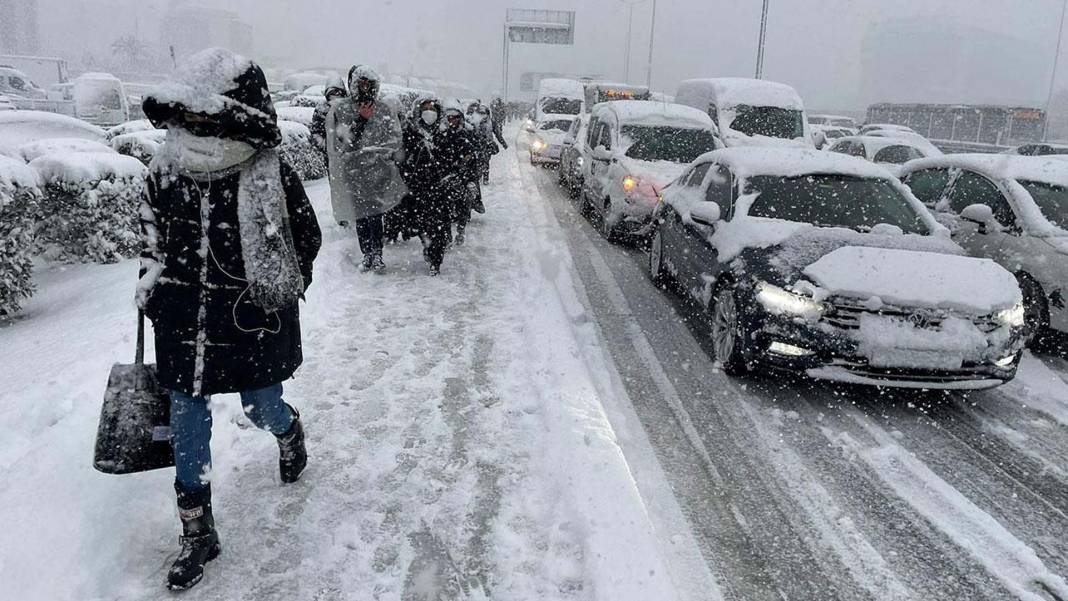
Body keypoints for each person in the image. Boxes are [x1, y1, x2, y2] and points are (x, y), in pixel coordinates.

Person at [137, 48, 322, 592]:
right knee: (187, 420)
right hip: (183, 319)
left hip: (249, 319)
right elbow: (150, 240)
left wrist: (277, 293)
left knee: (260, 405)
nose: (193, 124)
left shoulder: (268, 170)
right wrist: (153, 289)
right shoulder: (164, 168)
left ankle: (289, 431)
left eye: (204, 114)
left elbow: (303, 240)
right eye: (187, 114)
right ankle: (197, 531)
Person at [326, 65, 406, 271]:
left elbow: (394, 138)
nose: (364, 88)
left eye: (368, 84)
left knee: (375, 213)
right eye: (360, 83)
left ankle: (377, 254)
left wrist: (386, 156)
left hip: (379, 171)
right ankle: (367, 253)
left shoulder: (384, 109)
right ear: (353, 85)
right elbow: (342, 143)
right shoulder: (342, 109)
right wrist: (361, 120)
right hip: (354, 171)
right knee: (360, 213)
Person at [400, 96, 451, 275]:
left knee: (440, 226)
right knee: (422, 224)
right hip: (418, 187)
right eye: (426, 108)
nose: (429, 112)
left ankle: (436, 259)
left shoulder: (445, 134)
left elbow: (450, 159)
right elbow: (404, 158)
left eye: (433, 108)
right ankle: (427, 246)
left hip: (440, 188)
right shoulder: (412, 132)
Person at [438, 101, 479, 246]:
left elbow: (473, 158)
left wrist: (471, 179)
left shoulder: (467, 133)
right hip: (446, 177)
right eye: (449, 117)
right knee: (445, 209)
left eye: (454, 117)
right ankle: (447, 236)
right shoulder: (441, 135)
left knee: (464, 207)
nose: (452, 120)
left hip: (464, 177)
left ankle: (461, 231)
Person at [310, 75, 348, 163]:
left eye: (338, 94)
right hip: (329, 155)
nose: (335, 98)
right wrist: (325, 145)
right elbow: (316, 131)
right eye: (332, 94)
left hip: (347, 154)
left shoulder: (348, 109)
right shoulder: (321, 109)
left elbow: (354, 129)